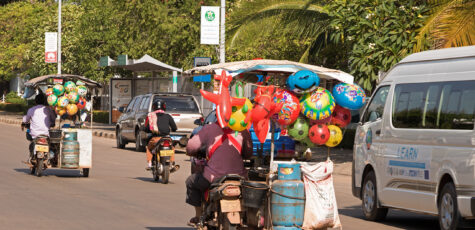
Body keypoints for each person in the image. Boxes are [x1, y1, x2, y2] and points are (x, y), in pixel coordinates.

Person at [185, 122, 252, 227]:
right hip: (239, 177)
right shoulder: (242, 129)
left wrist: (192, 151)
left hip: (213, 178)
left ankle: (198, 216)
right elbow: (248, 152)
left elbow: (191, 147)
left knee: (191, 181)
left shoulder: (210, 128)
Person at [144, 99, 178, 170]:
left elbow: (147, 129)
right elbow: (174, 127)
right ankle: (171, 163)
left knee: (149, 148)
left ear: (153, 107)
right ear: (164, 107)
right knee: (172, 148)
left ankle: (150, 164)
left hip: (155, 139)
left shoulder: (151, 116)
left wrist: (148, 130)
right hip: (167, 138)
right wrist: (172, 130)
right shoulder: (168, 116)